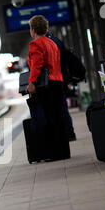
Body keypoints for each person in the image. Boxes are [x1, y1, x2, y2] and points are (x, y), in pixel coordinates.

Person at [26, 15, 70, 161]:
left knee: (49, 118)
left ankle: (54, 153)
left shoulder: (36, 44)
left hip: (46, 86)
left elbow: (37, 64)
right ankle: (64, 151)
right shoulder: (52, 43)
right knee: (59, 117)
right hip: (58, 82)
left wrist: (32, 82)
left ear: (33, 30)